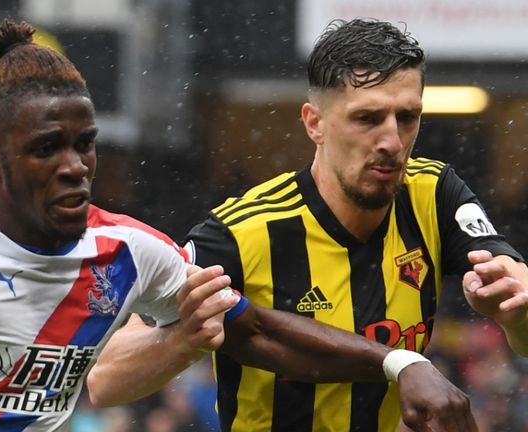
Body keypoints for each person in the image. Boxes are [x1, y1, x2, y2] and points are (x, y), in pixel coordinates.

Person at [0, 18, 476, 432]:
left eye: (86, 145)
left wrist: (401, 363)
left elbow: (255, 331)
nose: (75, 167)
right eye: (47, 149)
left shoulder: (132, 251)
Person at [88, 18, 528, 432]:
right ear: (314, 123)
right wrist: (186, 339)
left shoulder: (434, 194)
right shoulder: (241, 233)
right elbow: (105, 380)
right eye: (367, 118)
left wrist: (516, 315)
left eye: (406, 118)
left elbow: (517, 298)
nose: (392, 142)